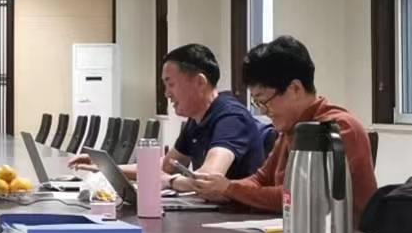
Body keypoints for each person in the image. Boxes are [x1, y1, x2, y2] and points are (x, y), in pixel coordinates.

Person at [191, 36, 378, 218]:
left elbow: (301, 196)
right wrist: (220, 189)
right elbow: (260, 179)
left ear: (295, 88)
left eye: (264, 101)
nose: (263, 111)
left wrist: (230, 189)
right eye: (257, 103)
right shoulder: (290, 128)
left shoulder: (337, 128)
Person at [68, 44, 266, 192]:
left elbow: (206, 179)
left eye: (170, 84)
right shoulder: (197, 119)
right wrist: (106, 165)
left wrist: (170, 181)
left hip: (237, 220)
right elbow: (166, 167)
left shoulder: (230, 117)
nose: (167, 94)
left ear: (200, 82)